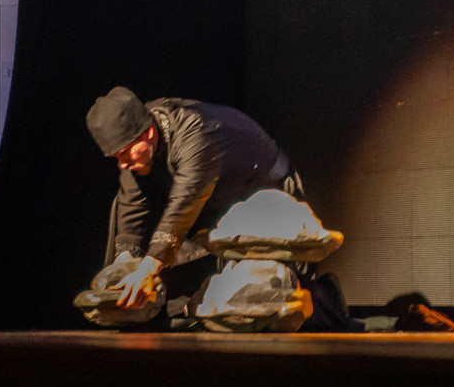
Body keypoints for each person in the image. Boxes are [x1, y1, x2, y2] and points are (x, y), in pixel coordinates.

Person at [85, 86, 311, 316]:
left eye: (125, 153)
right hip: (212, 200)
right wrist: (125, 261)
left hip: (262, 195)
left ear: (148, 133)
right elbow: (133, 203)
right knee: (124, 211)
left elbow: (184, 202)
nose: (122, 163)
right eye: (116, 157)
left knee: (259, 297)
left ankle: (317, 301)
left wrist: (148, 268)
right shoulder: (136, 144)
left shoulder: (195, 133)